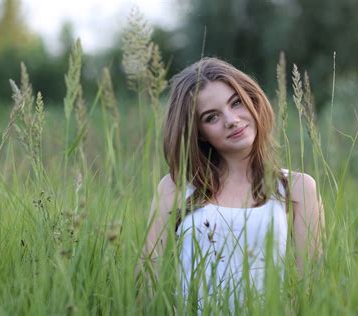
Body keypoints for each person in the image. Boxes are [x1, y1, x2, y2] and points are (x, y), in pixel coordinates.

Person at [138, 57, 324, 311]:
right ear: (198, 132)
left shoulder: (298, 188)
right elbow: (148, 282)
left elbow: (310, 288)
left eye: (236, 103)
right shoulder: (175, 188)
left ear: (252, 100)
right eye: (211, 117)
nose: (231, 120)